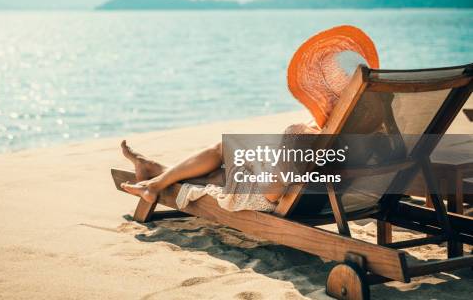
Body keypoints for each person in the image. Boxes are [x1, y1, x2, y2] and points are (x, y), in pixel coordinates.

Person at [120, 25, 380, 212]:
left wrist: (271, 157)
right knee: (223, 171)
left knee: (224, 148)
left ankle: (154, 182)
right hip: (328, 196)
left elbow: (271, 192)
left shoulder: (304, 135)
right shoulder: (373, 125)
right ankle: (154, 172)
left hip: (275, 198)